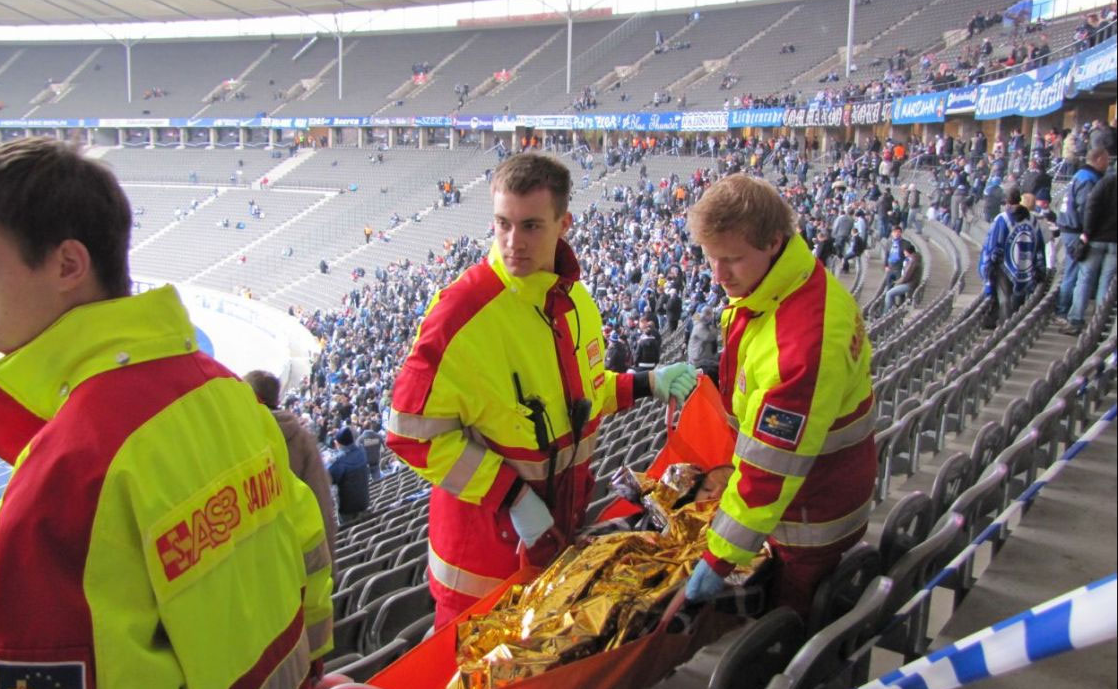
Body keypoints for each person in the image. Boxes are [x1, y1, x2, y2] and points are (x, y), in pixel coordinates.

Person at [0, 138, 333, 687]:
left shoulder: (65, 480)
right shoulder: (228, 395)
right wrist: (311, 674)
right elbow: (307, 557)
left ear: (68, 265)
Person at [386, 153, 697, 626]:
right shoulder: (460, 313)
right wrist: (511, 496)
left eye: (530, 226)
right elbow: (408, 433)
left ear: (563, 223)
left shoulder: (576, 303)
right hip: (481, 568)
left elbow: (578, 398)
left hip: (552, 546)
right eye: (502, 224)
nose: (514, 243)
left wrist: (645, 383)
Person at [682, 174, 875, 618]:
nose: (718, 275)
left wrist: (718, 558)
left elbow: (769, 473)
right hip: (801, 502)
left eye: (731, 259)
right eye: (710, 258)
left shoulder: (801, 345)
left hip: (810, 521)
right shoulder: (780, 283)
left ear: (772, 242)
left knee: (787, 633)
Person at [244, 369, 340, 581]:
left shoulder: (246, 443)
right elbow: (323, 501)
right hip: (311, 560)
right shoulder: (304, 438)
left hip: (273, 570)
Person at [979, 185, 1047, 329]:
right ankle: (1012, 327)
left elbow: (992, 247)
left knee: (1005, 301)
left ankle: (1004, 330)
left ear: (1007, 202)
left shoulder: (1002, 219)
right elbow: (1039, 245)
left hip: (1005, 267)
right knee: (1018, 301)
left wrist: (988, 268)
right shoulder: (1032, 220)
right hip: (1025, 268)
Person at [1062, 167, 1116, 335]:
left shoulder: (1105, 182)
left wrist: (1086, 232)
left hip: (1096, 239)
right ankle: (1098, 323)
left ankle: (1076, 320)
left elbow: (1091, 206)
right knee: (1106, 283)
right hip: (1115, 242)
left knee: (1085, 279)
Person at [1057, 148, 1108, 320]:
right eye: (1106, 159)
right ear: (1099, 159)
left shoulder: (1080, 174)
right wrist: (1088, 232)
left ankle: (1064, 309)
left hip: (1068, 227)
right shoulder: (1088, 179)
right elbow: (1086, 208)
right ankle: (1063, 310)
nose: (1108, 163)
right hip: (1075, 230)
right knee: (1072, 273)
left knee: (1071, 271)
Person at [328, 428, 371, 525]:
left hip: (347, 509)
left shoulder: (339, 462)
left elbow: (327, 480)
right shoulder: (361, 452)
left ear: (338, 444)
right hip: (364, 502)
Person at [883, 242, 921, 311]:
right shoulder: (913, 259)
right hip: (910, 283)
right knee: (890, 291)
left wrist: (897, 282)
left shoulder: (913, 261)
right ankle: (891, 309)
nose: (904, 253)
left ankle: (886, 312)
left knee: (889, 293)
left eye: (904, 252)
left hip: (910, 284)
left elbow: (906, 276)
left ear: (908, 252)